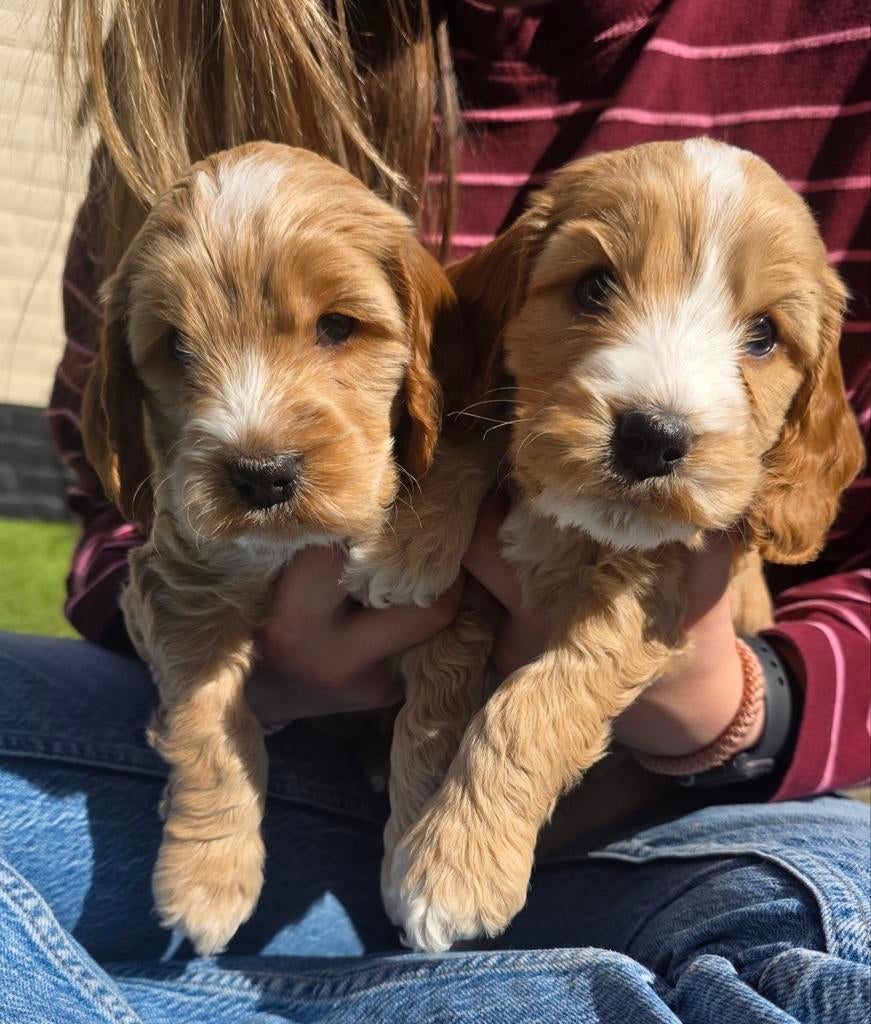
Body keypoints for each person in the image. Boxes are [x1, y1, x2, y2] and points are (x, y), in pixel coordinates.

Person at [2, 2, 868, 1021]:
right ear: (489, 318)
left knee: (820, 968)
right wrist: (237, 662)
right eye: (589, 289)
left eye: (762, 335)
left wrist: (735, 704)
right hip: (303, 768)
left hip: (688, 822)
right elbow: (112, 479)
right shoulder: (194, 34)